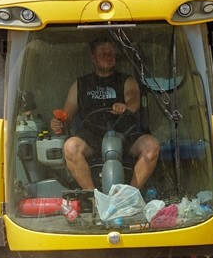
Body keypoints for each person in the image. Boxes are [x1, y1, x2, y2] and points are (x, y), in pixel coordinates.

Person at [49, 37, 159, 191]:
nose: (108, 55)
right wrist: (58, 122)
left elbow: (134, 101)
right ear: (93, 58)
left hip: (124, 136)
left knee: (151, 145)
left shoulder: (127, 80)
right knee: (70, 146)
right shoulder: (80, 84)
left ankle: (130, 194)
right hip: (91, 138)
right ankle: (93, 196)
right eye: (103, 52)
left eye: (111, 52)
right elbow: (66, 114)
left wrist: (125, 106)